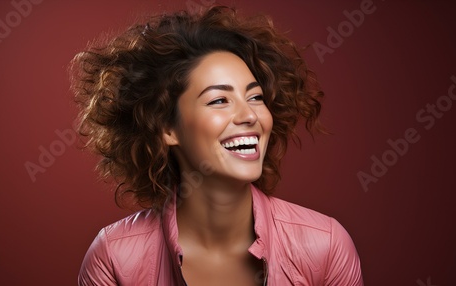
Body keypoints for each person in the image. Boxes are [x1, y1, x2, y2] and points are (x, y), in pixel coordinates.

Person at [71, 5, 363, 286]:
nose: (249, 115)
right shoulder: (114, 258)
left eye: (255, 97)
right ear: (167, 128)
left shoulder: (325, 245)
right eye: (219, 100)